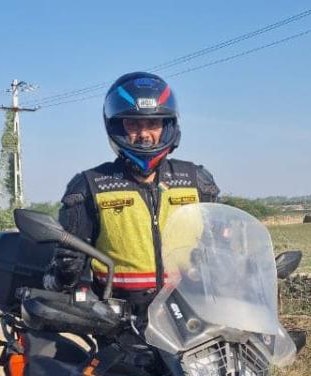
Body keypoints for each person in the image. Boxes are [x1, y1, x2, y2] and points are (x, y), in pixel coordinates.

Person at [46, 71, 220, 300]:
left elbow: (219, 248)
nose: (144, 134)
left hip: (187, 307)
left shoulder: (197, 181)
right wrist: (66, 270)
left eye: (153, 123)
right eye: (133, 124)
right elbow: (67, 264)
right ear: (118, 127)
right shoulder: (90, 186)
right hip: (118, 312)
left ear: (167, 125)